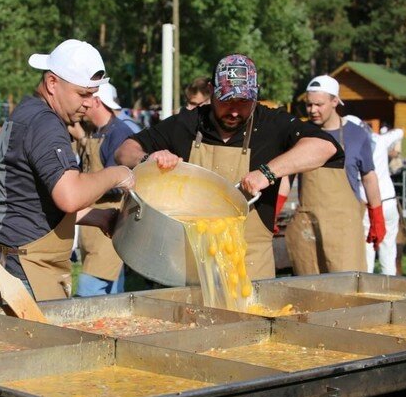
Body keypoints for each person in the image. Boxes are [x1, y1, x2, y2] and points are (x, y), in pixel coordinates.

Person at [115, 54, 344, 280]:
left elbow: (325, 147)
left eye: (243, 102)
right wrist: (148, 159)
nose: (234, 111)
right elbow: (124, 151)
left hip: (250, 264)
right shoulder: (187, 122)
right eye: (226, 100)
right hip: (188, 264)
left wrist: (267, 173)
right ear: (210, 90)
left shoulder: (272, 123)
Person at [0, 39, 134, 305]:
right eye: (83, 94)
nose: (89, 103)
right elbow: (69, 196)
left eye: (93, 94)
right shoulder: (45, 124)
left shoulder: (25, 111)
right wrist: (117, 173)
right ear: (52, 83)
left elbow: (30, 198)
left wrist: (97, 216)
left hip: (1, 259)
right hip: (23, 271)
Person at [285, 75, 385, 275]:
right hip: (308, 226)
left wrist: (377, 217)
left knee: (346, 287)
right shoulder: (300, 132)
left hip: (344, 225)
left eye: (319, 105)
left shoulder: (357, 135)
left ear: (334, 101)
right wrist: (275, 208)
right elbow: (287, 175)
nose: (313, 110)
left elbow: (369, 177)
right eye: (309, 105)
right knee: (310, 288)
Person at [74, 82, 135, 296]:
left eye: (86, 98)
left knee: (87, 295)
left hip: (110, 223)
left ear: (97, 101)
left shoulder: (120, 135)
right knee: (112, 298)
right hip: (91, 225)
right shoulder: (94, 131)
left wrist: (86, 185)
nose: (81, 104)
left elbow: (123, 183)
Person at [345, 115, 402, 275]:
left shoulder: (351, 146)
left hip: (367, 202)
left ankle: (367, 289)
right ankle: (389, 287)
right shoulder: (380, 140)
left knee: (366, 252)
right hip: (388, 201)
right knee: (389, 251)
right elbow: (399, 132)